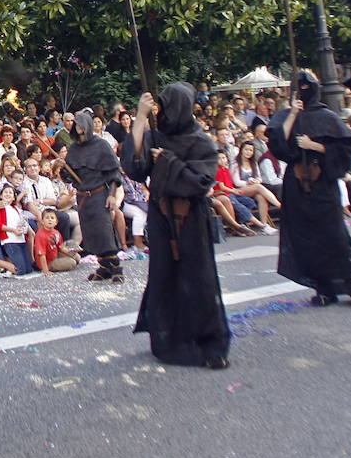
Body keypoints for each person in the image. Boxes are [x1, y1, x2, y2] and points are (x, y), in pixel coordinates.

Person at [123, 84, 231, 369]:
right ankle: (169, 336)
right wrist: (140, 117)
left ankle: (211, 343)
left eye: (168, 105)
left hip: (191, 217)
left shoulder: (201, 142)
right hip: (161, 215)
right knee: (164, 275)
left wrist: (169, 161)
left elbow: (200, 183)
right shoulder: (157, 136)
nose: (165, 111)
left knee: (200, 277)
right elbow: (135, 166)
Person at [269, 71, 351, 308]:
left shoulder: (327, 116)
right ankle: (323, 287)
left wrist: (315, 146)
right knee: (306, 238)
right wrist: (293, 113)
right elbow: (278, 144)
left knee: (334, 235)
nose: (303, 90)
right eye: (299, 86)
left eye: (307, 86)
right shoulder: (286, 116)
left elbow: (345, 151)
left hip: (323, 182)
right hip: (297, 184)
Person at [69, 108, 125, 284]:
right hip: (82, 197)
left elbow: (114, 173)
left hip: (99, 194)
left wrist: (112, 195)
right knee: (91, 233)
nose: (77, 127)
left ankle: (115, 267)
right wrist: (65, 169)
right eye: (75, 124)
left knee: (104, 231)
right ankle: (104, 267)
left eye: (80, 124)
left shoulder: (101, 145)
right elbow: (70, 175)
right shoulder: (74, 149)